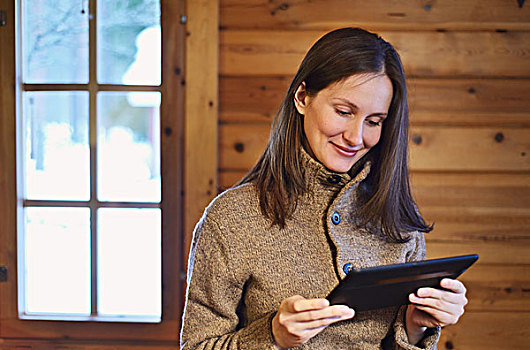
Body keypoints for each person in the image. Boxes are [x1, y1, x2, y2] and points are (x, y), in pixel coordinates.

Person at [180, 27, 468, 349]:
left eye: (373, 122)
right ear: (303, 97)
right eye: (344, 112)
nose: (356, 137)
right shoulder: (232, 217)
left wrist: (416, 327)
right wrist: (271, 336)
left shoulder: (397, 217)